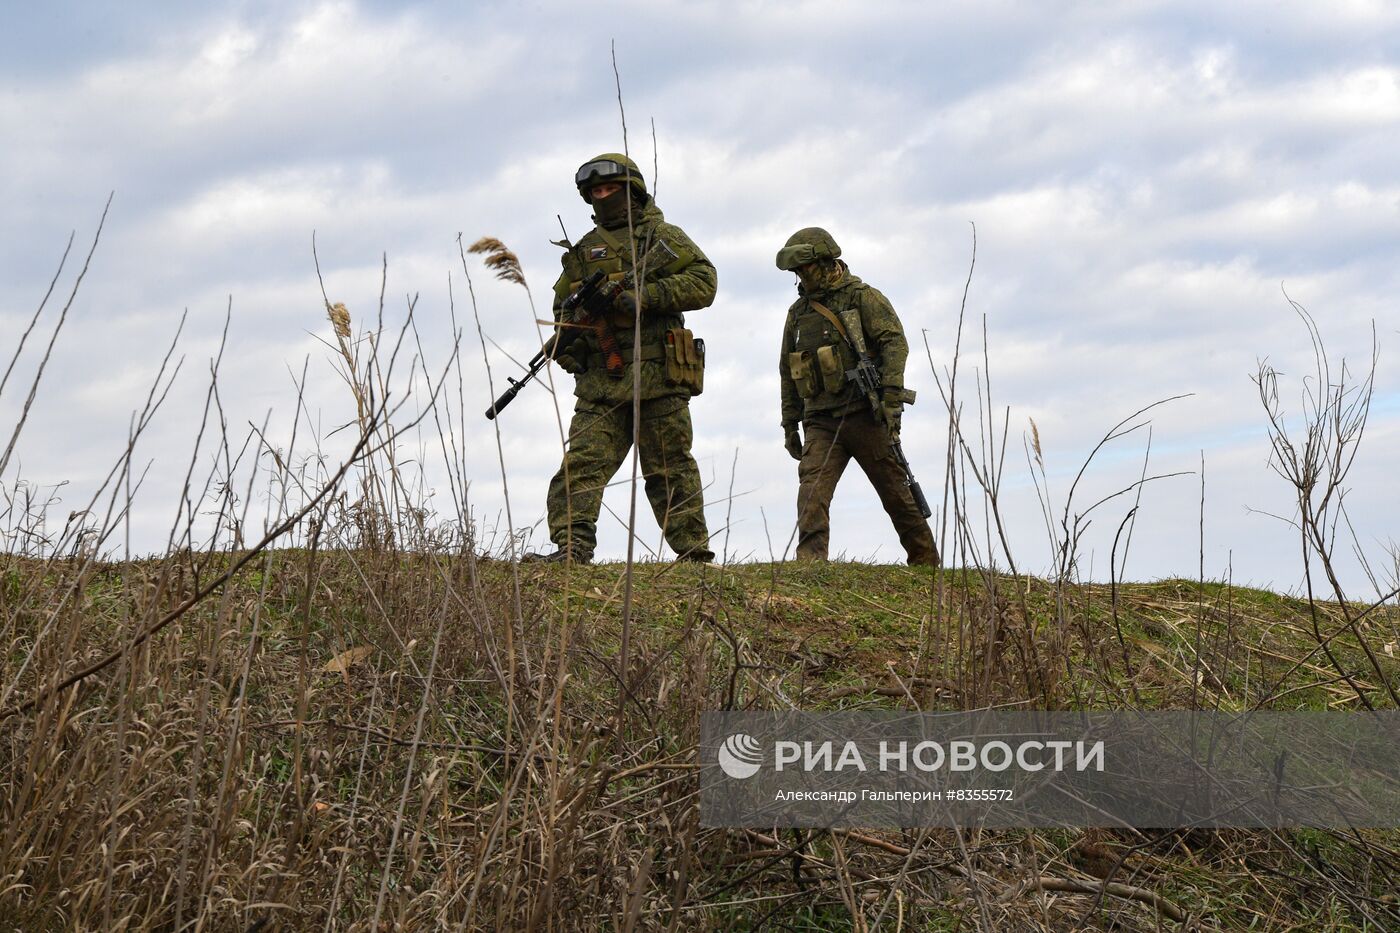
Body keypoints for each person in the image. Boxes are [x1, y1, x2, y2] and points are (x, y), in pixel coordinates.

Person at [523, 153, 717, 565]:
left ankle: (694, 557)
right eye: (596, 192)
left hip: (659, 379)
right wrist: (570, 342)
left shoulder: (662, 237)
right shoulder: (582, 253)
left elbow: (704, 282)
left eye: (611, 189)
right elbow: (564, 307)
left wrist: (645, 297)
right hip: (603, 384)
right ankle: (572, 548)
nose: (604, 197)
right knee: (580, 467)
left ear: (632, 191)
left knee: (669, 470)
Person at [775, 227, 938, 566]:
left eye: (805, 269)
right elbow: (788, 372)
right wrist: (790, 424)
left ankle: (926, 564)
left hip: (865, 414)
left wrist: (891, 399)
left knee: (896, 492)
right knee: (811, 492)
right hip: (821, 420)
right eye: (796, 273)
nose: (801, 278)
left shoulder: (862, 297)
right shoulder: (798, 314)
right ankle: (810, 562)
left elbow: (894, 343)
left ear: (825, 262)